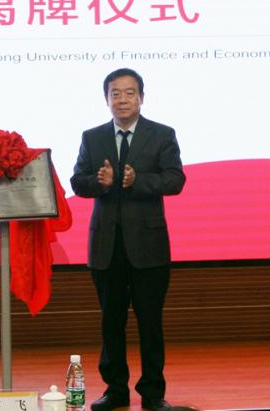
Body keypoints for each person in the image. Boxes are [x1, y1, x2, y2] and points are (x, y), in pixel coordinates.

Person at [70, 68, 186, 411]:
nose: (122, 99)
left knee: (150, 323)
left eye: (129, 92)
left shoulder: (162, 134)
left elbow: (175, 180)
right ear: (106, 99)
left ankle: (152, 393)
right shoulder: (92, 137)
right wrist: (100, 182)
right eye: (115, 93)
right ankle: (115, 390)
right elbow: (78, 182)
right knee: (111, 323)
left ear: (141, 97)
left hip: (149, 247)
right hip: (106, 248)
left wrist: (138, 181)